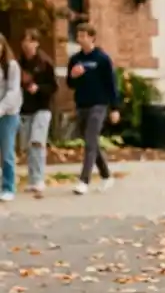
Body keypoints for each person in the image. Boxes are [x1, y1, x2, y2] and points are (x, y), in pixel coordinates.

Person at [66, 23, 120, 194]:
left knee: (90, 140)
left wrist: (115, 108)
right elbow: (70, 84)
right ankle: (106, 175)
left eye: (83, 36)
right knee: (92, 143)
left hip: (99, 104)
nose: (80, 39)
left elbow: (111, 84)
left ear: (92, 37)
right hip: (82, 104)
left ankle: (84, 181)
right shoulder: (75, 59)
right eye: (78, 35)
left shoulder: (102, 59)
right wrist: (73, 76)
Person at [18, 29, 58, 194]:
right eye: (24, 41)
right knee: (28, 145)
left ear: (36, 43)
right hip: (24, 109)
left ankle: (38, 179)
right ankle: (32, 178)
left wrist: (39, 88)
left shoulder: (44, 63)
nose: (26, 44)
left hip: (42, 108)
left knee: (37, 142)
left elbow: (54, 87)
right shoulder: (18, 64)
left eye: (30, 41)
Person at [0, 34, 23, 202]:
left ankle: (8, 187)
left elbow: (13, 92)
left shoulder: (11, 66)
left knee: (7, 152)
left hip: (8, 114)